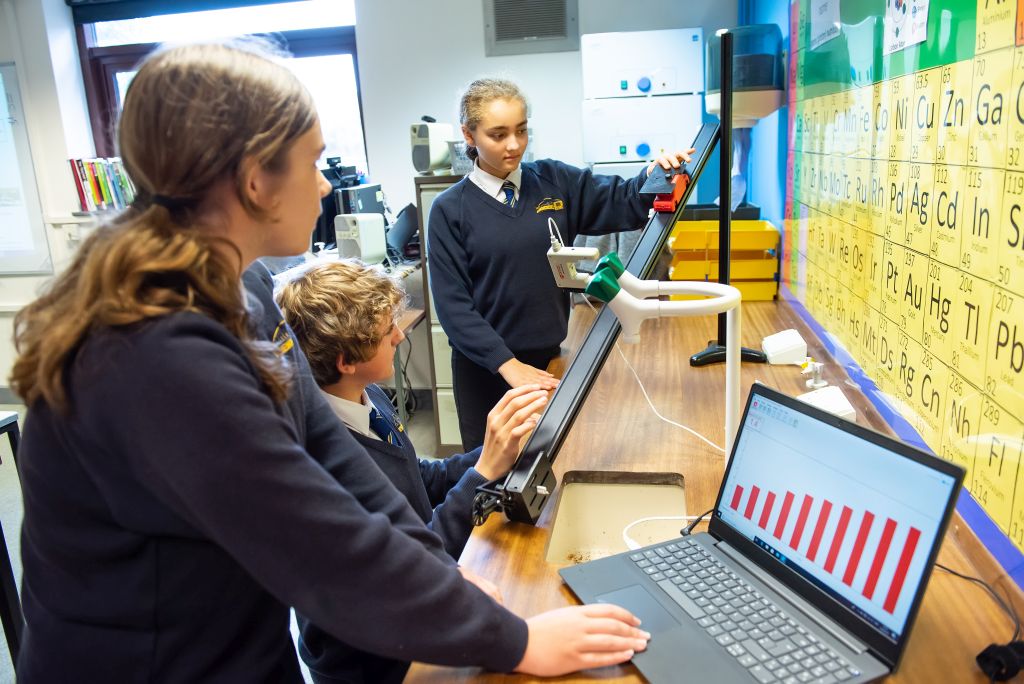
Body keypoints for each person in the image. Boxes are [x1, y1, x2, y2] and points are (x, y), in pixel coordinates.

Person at [8, 42, 650, 681]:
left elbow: (335, 459)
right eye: (313, 161)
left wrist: (443, 574)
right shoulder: (157, 354)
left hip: (237, 645)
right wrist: (513, 642)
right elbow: (319, 541)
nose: (323, 183)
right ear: (256, 179)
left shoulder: (242, 286)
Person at [276, 260, 548, 682]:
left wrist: (498, 451)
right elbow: (407, 567)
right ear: (347, 360)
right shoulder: (323, 460)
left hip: (407, 626)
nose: (401, 335)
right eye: (389, 334)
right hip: (370, 663)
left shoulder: (366, 397)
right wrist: (482, 473)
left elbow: (417, 478)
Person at [428, 77, 695, 451]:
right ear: (469, 135)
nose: (514, 145)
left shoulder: (553, 181)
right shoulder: (449, 210)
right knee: (490, 482)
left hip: (551, 361)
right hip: (487, 372)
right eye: (498, 134)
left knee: (545, 467)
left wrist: (655, 174)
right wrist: (509, 367)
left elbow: (622, 201)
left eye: (521, 131)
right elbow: (454, 309)